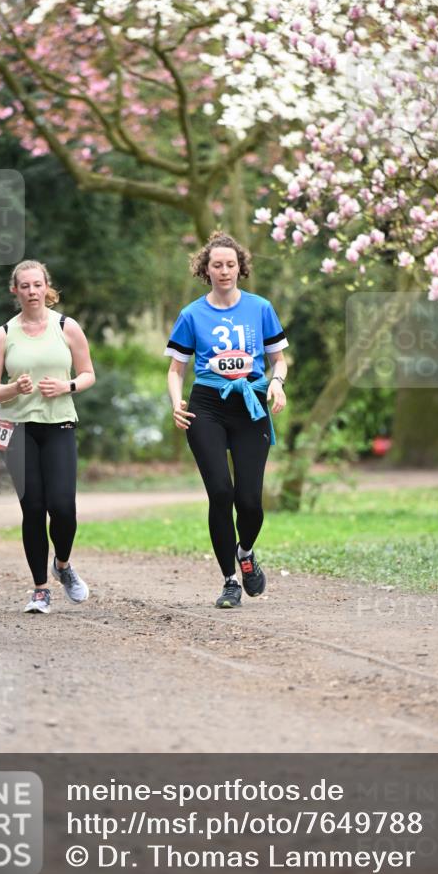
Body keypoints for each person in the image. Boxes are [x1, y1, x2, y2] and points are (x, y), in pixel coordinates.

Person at [165, 231, 288, 609]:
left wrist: (278, 384)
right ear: (206, 269)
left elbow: (278, 359)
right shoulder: (192, 315)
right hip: (208, 406)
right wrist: (176, 402)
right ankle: (229, 580)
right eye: (216, 265)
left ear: (240, 268)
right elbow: (175, 370)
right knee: (220, 492)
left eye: (230, 264)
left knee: (249, 501)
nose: (224, 271)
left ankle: (246, 553)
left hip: (250, 404)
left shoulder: (260, 308)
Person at [0, 260, 95, 614]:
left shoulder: (67, 326)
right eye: (25, 286)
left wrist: (68, 385)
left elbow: (88, 373)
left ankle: (62, 566)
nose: (32, 292)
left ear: (47, 287)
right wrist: (13, 387)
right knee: (33, 508)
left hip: (59, 422)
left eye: (37, 285)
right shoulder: (4, 333)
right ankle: (40, 590)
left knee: (62, 507)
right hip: (17, 429)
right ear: (14, 291)